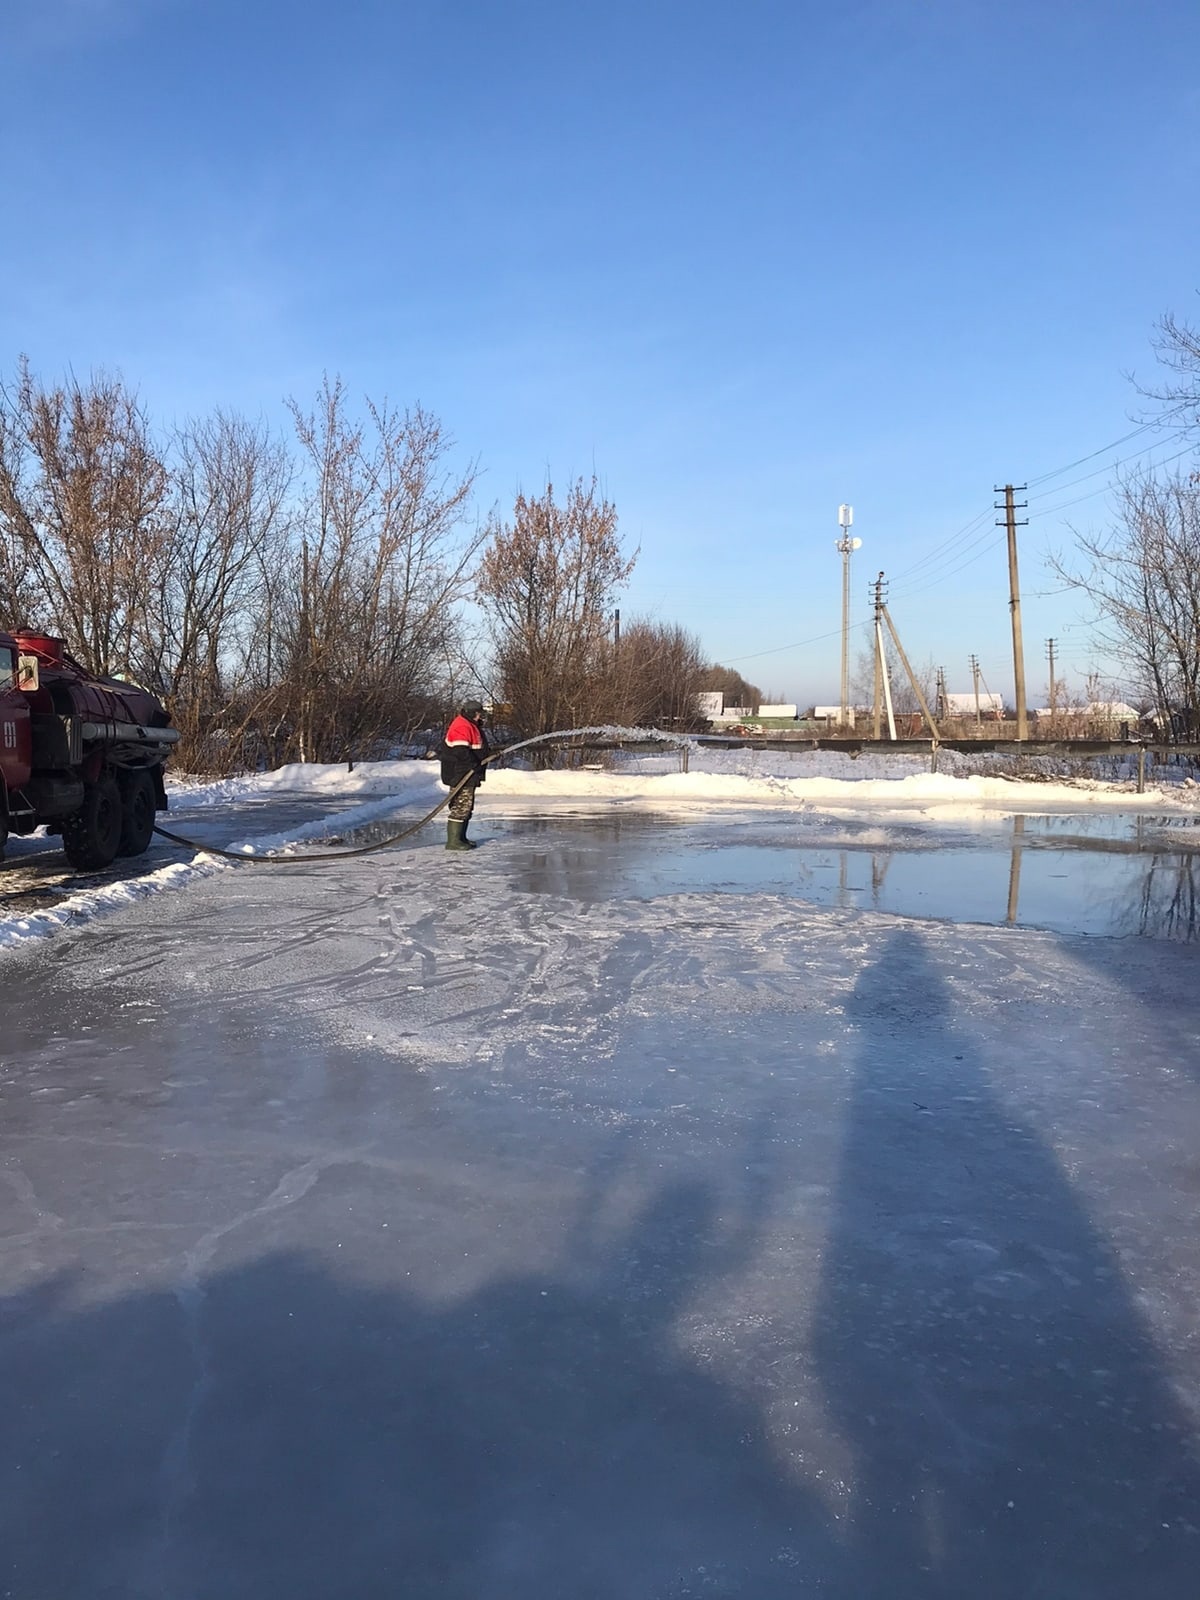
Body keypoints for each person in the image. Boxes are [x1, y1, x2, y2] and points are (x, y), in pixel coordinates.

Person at [439, 699, 489, 850]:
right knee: (461, 806)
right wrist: (473, 763)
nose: (480, 717)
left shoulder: (471, 725)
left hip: (469, 773)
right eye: (479, 714)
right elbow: (460, 751)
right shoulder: (462, 725)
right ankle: (453, 842)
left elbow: (475, 748)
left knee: (467, 806)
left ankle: (461, 838)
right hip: (460, 773)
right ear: (472, 713)